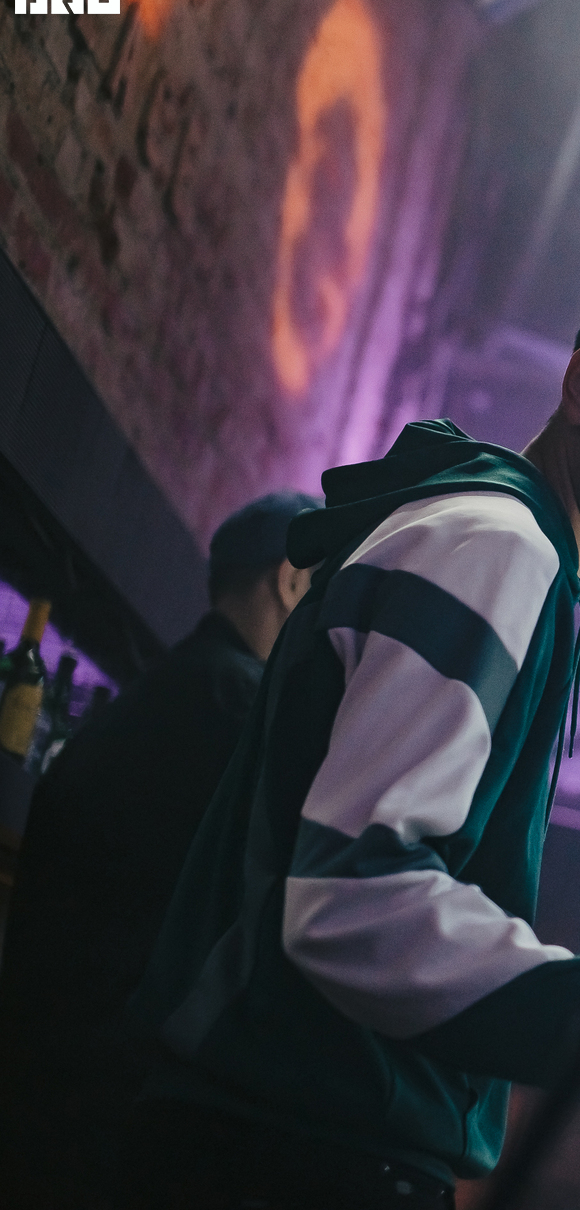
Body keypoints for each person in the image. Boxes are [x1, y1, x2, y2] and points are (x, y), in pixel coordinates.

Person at [121, 264, 580, 1209]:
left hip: (268, 1136)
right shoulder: (496, 549)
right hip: (286, 1154)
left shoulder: (500, 545)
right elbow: (354, 900)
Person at [0, 491, 321, 1209]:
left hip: (37, 1094)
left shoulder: (154, 698)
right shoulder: (251, 719)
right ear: (292, 580)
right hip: (122, 1127)